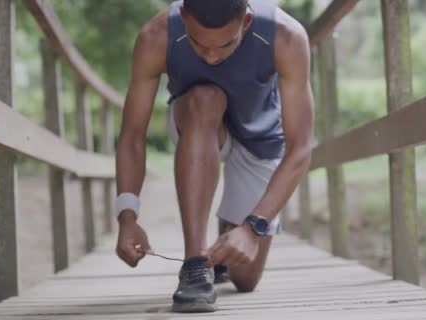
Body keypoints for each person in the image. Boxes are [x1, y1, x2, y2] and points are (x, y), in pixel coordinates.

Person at [114, 0, 314, 313]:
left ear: (246, 22)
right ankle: (195, 266)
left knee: (245, 277)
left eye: (225, 44)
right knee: (205, 98)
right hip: (196, 122)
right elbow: (132, 135)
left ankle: (229, 226)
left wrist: (252, 228)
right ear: (183, 17)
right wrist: (127, 216)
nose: (211, 56)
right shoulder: (157, 35)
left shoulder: (286, 37)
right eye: (197, 43)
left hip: (260, 138)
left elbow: (300, 146)